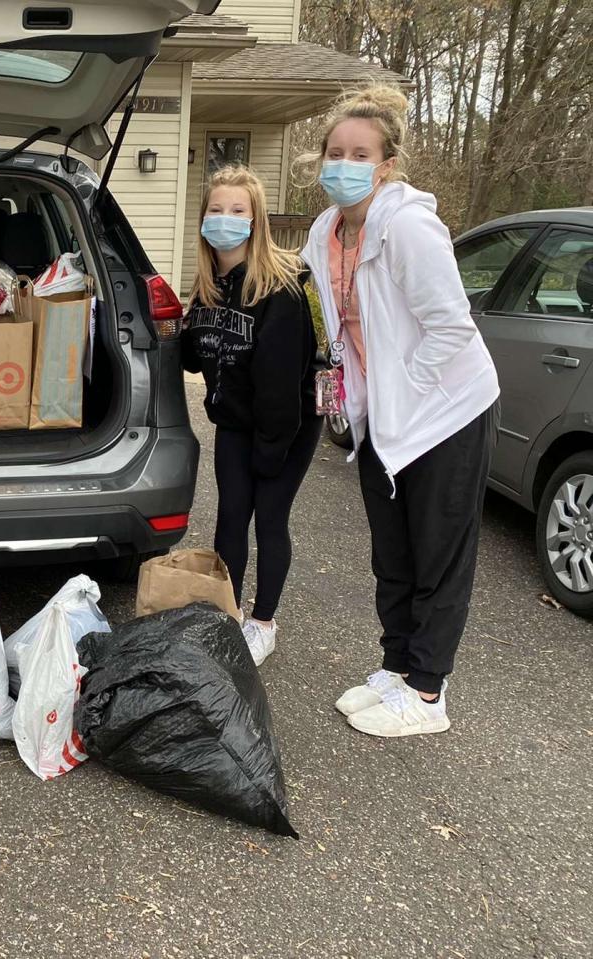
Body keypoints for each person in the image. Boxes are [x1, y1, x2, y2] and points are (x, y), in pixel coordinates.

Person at [299, 84, 499, 738]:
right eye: (335, 152)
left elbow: (451, 329)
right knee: (393, 551)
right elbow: (340, 331)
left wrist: (402, 390)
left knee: (438, 552)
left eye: (360, 154)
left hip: (445, 412)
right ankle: (395, 667)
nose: (344, 164)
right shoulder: (325, 233)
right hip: (382, 419)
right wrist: (344, 397)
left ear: (385, 165)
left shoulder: (408, 226)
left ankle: (428, 690)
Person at [183, 165, 321, 667]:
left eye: (237, 210)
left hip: (286, 425)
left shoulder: (279, 290)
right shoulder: (208, 287)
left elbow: (281, 386)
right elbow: (194, 357)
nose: (226, 218)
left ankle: (263, 623)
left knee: (269, 519)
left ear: (255, 220)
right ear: (204, 220)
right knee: (230, 517)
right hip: (236, 421)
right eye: (217, 209)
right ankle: (230, 614)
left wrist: (271, 451)